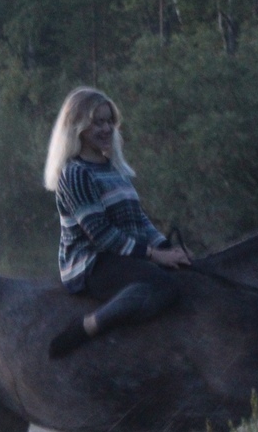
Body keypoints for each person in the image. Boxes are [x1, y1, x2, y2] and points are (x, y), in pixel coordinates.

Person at [44, 87, 190, 359]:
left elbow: (139, 220)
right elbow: (101, 234)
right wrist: (154, 255)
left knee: (186, 274)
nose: (106, 129)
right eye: (97, 122)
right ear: (78, 127)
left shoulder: (113, 168)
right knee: (162, 285)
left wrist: (166, 248)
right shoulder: (75, 174)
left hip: (124, 256)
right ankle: (88, 326)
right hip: (92, 262)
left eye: (109, 121)